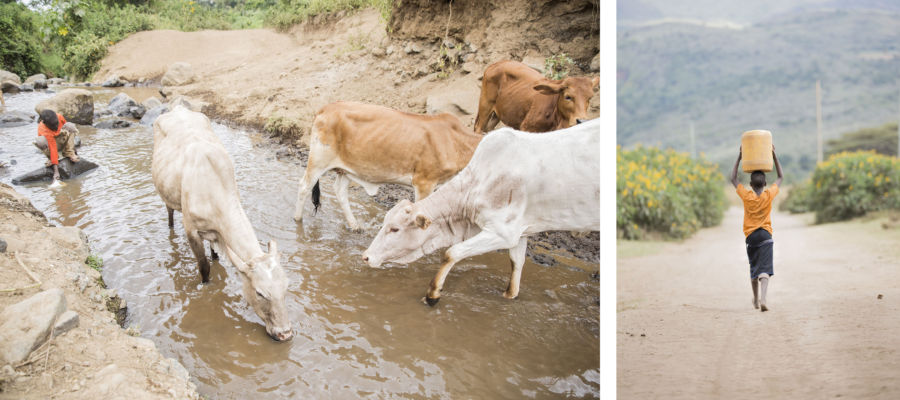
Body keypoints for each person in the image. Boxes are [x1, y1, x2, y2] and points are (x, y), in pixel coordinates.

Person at [730, 145, 783, 312]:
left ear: (751, 184)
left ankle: (755, 299)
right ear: (765, 183)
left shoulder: (747, 196)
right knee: (765, 269)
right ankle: (764, 298)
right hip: (766, 235)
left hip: (751, 237)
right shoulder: (769, 194)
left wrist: (739, 157)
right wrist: (774, 156)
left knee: (754, 268)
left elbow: (733, 179)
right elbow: (781, 177)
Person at [36, 109, 79, 181]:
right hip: (51, 144)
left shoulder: (59, 116)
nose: (56, 127)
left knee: (70, 126)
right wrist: (56, 172)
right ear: (45, 123)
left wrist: (74, 151)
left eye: (57, 123)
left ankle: (68, 152)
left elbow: (68, 131)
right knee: (40, 141)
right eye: (53, 126)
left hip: (61, 139)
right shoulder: (44, 130)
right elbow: (53, 148)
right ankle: (50, 158)